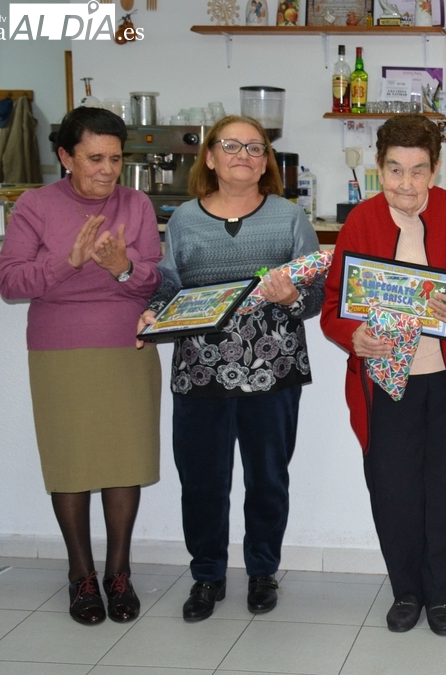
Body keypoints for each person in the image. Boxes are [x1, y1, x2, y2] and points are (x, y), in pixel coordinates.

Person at [321, 114, 446, 636]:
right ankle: (406, 590)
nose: (406, 183)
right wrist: (352, 336)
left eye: (418, 170)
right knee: (393, 490)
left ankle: (441, 594)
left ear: (435, 168)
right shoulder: (360, 222)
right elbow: (334, 308)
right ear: (379, 169)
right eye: (395, 170)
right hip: (385, 380)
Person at [137, 115, 323, 621]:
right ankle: (207, 576)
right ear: (211, 157)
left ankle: (263, 572)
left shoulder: (289, 218)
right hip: (199, 373)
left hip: (273, 372)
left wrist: (291, 297)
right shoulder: (183, 220)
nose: (244, 154)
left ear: (266, 163)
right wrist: (154, 312)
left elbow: (316, 297)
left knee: (267, 480)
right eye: (231, 145)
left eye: (255, 147)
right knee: (202, 482)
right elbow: (169, 285)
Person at [0, 106, 163, 626]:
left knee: (124, 460)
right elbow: (10, 283)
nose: (108, 170)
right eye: (95, 158)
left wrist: (123, 267)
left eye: (115, 158)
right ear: (66, 157)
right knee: (70, 462)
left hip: (127, 347)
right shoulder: (35, 205)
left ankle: (119, 573)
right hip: (60, 351)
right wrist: (66, 262)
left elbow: (155, 279)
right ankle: (81, 574)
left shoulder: (136, 204)